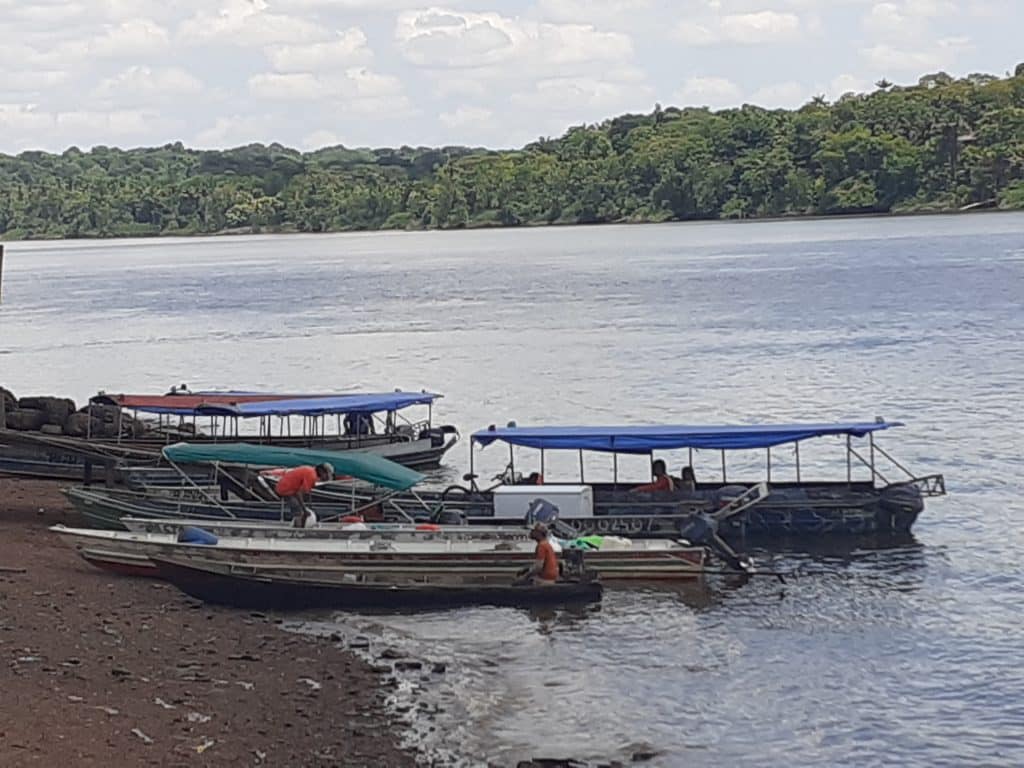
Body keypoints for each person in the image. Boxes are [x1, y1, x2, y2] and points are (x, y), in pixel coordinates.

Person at [275, 462, 333, 528]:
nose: (326, 477)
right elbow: (299, 493)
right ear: (321, 471)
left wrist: (309, 506)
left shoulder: (312, 473)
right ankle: (298, 531)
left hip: (290, 488)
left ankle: (300, 526)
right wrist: (304, 509)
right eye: (326, 474)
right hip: (286, 489)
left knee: (302, 510)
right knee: (298, 512)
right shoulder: (311, 475)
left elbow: (307, 492)